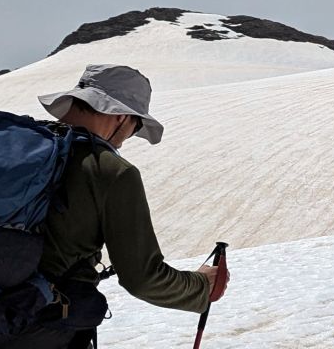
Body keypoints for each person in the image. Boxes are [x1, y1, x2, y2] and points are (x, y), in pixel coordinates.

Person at [14, 64, 229, 347]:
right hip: (40, 329)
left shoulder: (13, 145)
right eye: (136, 125)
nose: (129, 137)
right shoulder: (111, 170)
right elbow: (143, 278)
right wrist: (201, 286)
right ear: (122, 117)